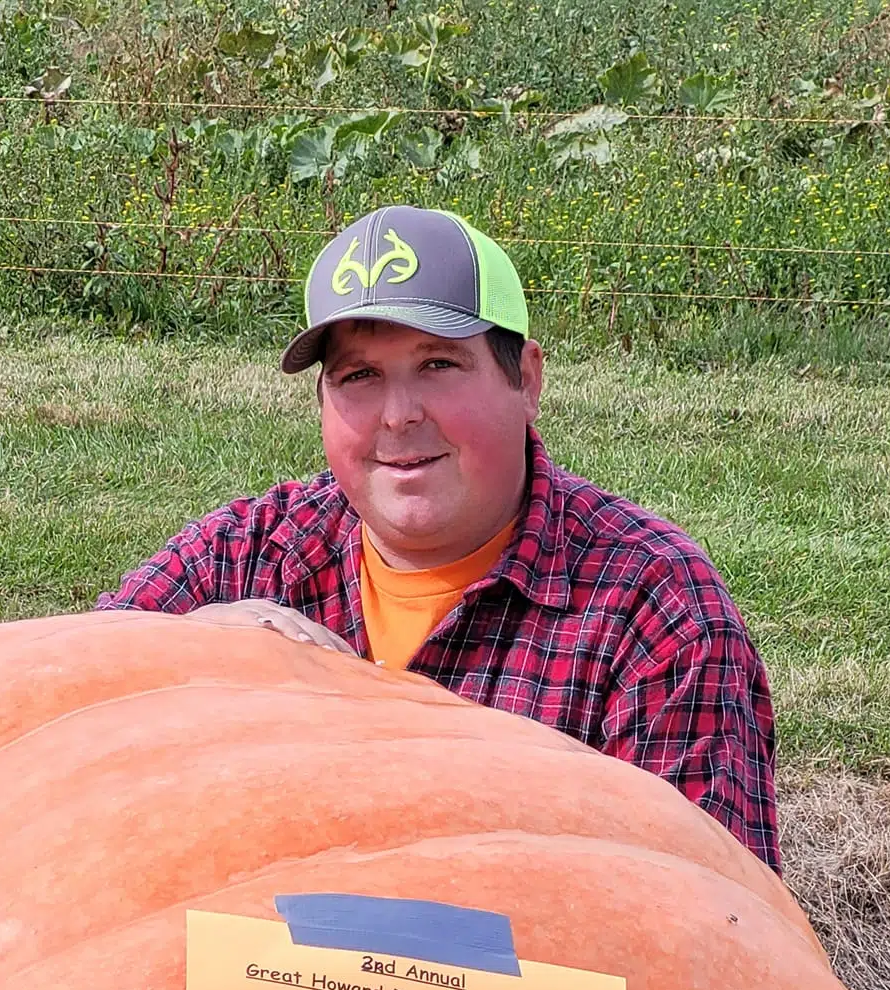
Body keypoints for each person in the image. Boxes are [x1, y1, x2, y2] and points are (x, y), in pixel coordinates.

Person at [97, 205, 780, 870]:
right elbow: (56, 710)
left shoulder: (654, 609)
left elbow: (715, 920)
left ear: (528, 380)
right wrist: (197, 645)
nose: (398, 416)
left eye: (438, 366)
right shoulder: (243, 559)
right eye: (359, 377)